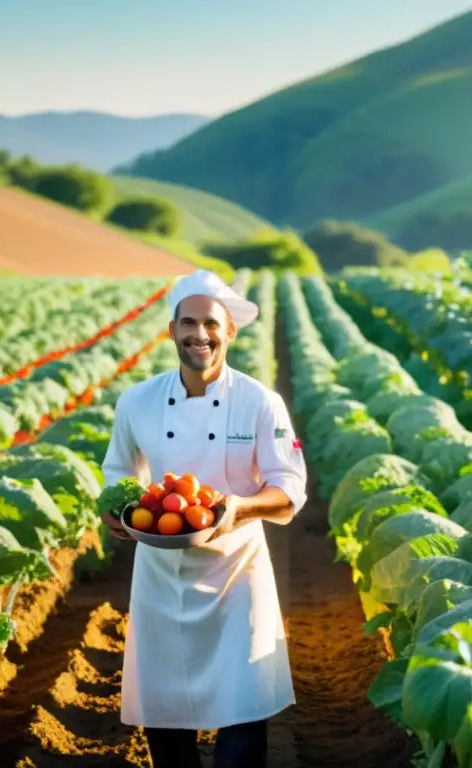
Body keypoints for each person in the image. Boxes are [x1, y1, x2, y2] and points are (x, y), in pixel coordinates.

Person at [100, 269, 307, 768]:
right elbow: (118, 473)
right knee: (165, 710)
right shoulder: (138, 402)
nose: (200, 334)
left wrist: (241, 508)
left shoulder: (261, 402)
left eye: (211, 324)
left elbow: (290, 487)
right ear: (171, 330)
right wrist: (115, 511)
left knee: (242, 710)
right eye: (187, 323)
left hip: (236, 572)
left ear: (229, 331)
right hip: (160, 572)